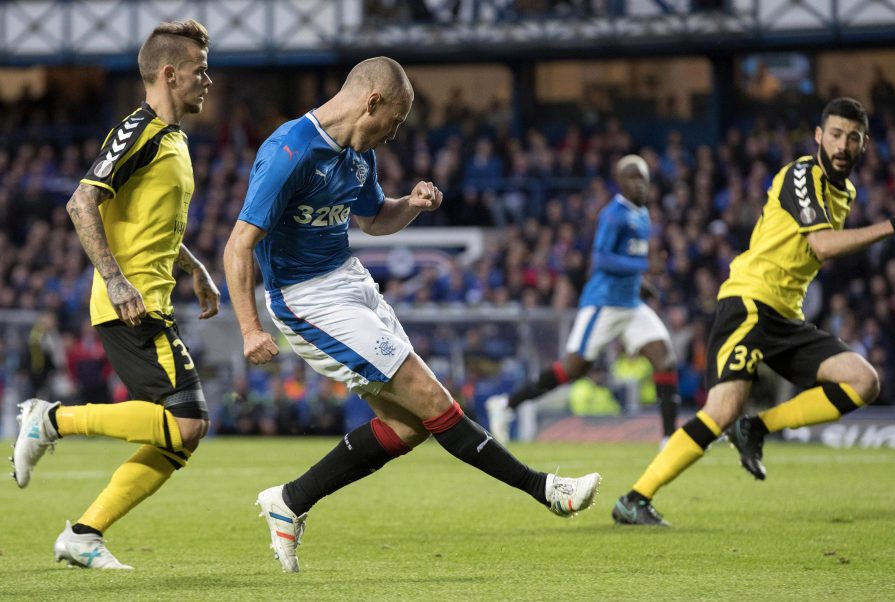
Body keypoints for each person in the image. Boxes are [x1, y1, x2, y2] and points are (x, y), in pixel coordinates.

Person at [222, 56, 600, 574]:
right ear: (372, 101)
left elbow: (376, 221)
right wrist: (248, 328)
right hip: (306, 298)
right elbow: (239, 246)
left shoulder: (359, 155)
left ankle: (289, 501)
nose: (394, 134)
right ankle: (546, 489)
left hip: (351, 282)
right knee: (430, 397)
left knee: (407, 427)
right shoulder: (288, 152)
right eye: (394, 121)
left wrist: (412, 204)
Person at [610, 97, 895, 526]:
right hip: (749, 301)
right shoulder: (802, 174)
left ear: (864, 145)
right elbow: (820, 246)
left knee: (862, 381)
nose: (842, 145)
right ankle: (634, 498)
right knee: (722, 410)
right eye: (835, 134)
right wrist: (894, 225)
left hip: (786, 315)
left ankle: (757, 427)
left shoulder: (846, 191)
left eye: (852, 138)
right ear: (819, 136)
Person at [11, 20, 219, 568]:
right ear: (170, 73)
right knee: (188, 423)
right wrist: (117, 278)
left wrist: (194, 266)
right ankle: (50, 420)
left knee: (179, 437)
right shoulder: (140, 130)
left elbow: (148, 223)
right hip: (132, 305)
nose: (208, 80)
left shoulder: (170, 138)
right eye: (200, 70)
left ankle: (84, 533)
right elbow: (81, 203)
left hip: (149, 299)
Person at [486, 155, 681, 445]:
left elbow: (625, 260)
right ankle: (506, 405)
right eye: (632, 177)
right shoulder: (613, 214)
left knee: (665, 360)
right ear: (620, 182)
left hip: (630, 304)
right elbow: (601, 259)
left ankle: (669, 440)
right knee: (573, 369)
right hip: (603, 304)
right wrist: (643, 268)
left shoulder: (642, 214)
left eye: (642, 177)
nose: (639, 183)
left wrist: (642, 284)